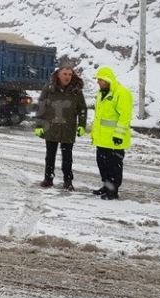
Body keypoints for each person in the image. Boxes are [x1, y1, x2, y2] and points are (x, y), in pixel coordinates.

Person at [34, 63, 87, 191]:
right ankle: (48, 179)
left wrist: (82, 125)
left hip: (68, 129)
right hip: (51, 127)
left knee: (67, 157)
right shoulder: (49, 88)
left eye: (70, 74)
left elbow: (82, 109)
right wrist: (39, 125)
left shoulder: (76, 91)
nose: (67, 77)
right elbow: (41, 107)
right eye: (65, 74)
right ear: (58, 74)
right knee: (50, 155)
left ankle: (68, 181)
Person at [91, 66, 133, 200]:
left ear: (107, 80)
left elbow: (125, 116)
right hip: (102, 139)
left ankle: (113, 191)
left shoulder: (122, 93)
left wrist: (119, 135)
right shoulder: (100, 93)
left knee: (114, 167)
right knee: (102, 164)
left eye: (100, 80)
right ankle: (107, 186)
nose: (98, 82)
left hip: (115, 140)